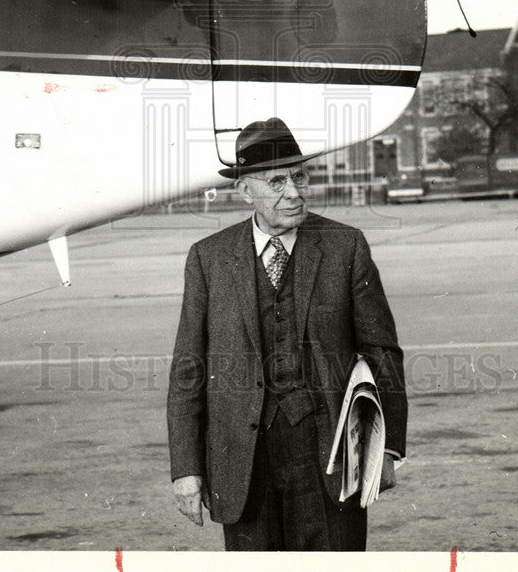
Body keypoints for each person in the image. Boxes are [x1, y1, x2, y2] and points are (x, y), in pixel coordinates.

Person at [167, 117, 407, 551]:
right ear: (245, 191)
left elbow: (382, 353)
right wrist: (186, 469)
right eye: (276, 182)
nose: (294, 193)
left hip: (330, 455)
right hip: (242, 462)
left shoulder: (345, 246)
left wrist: (386, 450)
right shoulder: (208, 259)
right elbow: (188, 371)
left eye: (299, 177)